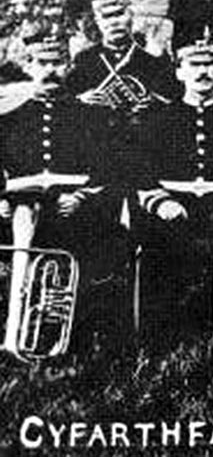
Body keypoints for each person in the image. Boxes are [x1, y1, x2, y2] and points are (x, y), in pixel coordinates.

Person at [0, 20, 126, 346]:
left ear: (69, 66)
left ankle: (76, 334)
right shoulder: (9, 114)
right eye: (42, 63)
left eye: (57, 63)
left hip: (71, 208)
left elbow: (108, 169)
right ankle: (12, 326)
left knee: (105, 242)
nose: (51, 70)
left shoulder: (90, 115)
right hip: (13, 211)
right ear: (28, 66)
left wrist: (82, 198)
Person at [133, 31, 213, 341]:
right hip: (173, 206)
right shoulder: (158, 119)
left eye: (210, 63)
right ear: (179, 71)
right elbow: (140, 172)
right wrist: (160, 202)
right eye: (194, 64)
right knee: (159, 250)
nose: (203, 71)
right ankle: (164, 336)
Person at [66, 0, 179, 120]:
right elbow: (66, 100)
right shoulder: (85, 59)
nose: (114, 22)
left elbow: (172, 99)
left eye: (119, 14)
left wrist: (154, 103)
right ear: (97, 22)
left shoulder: (151, 59)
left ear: (131, 16)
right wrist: (82, 99)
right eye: (106, 17)